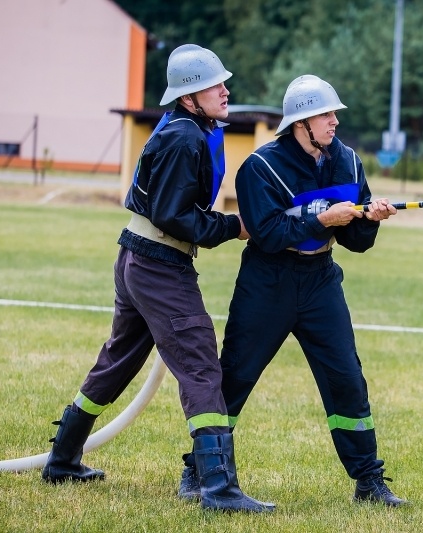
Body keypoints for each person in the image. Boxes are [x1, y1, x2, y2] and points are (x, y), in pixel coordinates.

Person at [40, 44, 275, 513]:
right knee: (202, 365)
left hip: (138, 258)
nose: (226, 90)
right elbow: (173, 215)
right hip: (157, 265)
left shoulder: (184, 129)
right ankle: (218, 489)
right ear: (189, 97)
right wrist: (233, 226)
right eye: (215, 84)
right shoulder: (184, 139)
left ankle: (63, 458)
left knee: (118, 361)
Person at [178, 74, 408, 506]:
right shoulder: (260, 168)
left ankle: (369, 482)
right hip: (268, 282)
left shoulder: (349, 162)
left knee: (347, 378)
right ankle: (199, 470)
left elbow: (355, 243)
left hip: (321, 280)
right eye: (325, 113)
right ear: (300, 122)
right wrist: (322, 220)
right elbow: (266, 233)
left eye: (335, 112)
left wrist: (369, 220)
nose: (334, 121)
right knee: (235, 378)